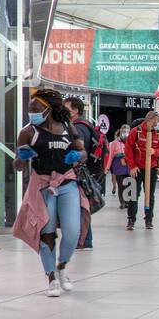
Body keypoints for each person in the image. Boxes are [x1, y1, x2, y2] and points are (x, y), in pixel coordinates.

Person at [13, 88, 86, 297]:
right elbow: (17, 166)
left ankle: (62, 266)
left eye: (35, 109)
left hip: (67, 183)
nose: (32, 113)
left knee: (73, 231)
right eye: (30, 110)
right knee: (47, 231)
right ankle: (51, 276)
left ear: (48, 108)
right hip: (42, 186)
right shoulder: (27, 132)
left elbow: (83, 152)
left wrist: (78, 155)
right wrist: (22, 157)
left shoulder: (67, 126)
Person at [66, 97, 103, 249]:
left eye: (66, 108)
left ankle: (85, 241)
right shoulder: (87, 124)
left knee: (80, 207)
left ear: (75, 110)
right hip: (86, 171)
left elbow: (79, 149)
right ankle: (84, 240)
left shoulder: (78, 127)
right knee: (81, 206)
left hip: (80, 172)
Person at [124, 111, 159, 231]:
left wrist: (155, 152)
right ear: (149, 120)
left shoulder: (158, 134)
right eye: (155, 121)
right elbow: (128, 149)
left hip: (151, 168)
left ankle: (148, 219)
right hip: (136, 169)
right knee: (133, 195)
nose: (156, 124)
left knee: (150, 195)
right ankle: (131, 219)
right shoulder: (135, 132)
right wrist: (132, 166)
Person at [107, 127, 129, 208]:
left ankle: (127, 201)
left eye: (127, 131)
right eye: (123, 131)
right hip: (118, 165)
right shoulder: (113, 143)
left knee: (128, 184)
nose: (125, 132)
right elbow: (110, 156)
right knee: (121, 185)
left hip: (128, 165)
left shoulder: (130, 142)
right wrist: (107, 167)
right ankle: (122, 202)